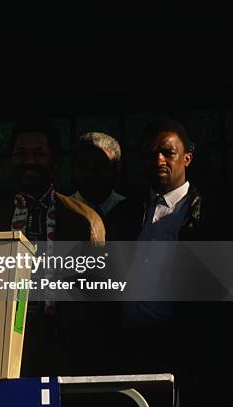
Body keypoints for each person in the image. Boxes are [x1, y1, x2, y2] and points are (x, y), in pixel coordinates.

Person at [0, 118, 106, 376]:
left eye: (38, 153)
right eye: (20, 153)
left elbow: (96, 294)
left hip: (65, 346)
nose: (28, 160)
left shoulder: (84, 220)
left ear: (56, 161)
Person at [107, 118, 230, 405]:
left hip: (188, 345)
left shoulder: (214, 213)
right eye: (150, 154)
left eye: (168, 152)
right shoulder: (125, 213)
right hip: (130, 346)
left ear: (187, 158)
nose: (158, 160)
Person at [70, 132, 125, 218]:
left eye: (101, 166)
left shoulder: (132, 212)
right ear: (73, 169)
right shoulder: (59, 212)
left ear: (117, 169)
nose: (91, 174)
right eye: (84, 167)